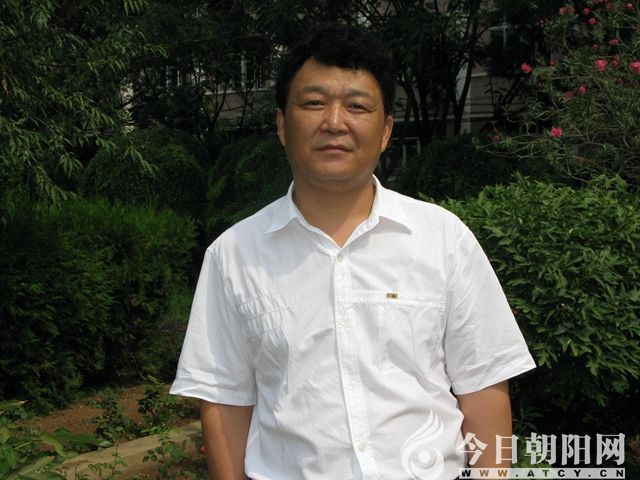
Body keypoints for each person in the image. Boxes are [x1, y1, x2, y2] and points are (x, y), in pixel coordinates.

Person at [170, 23, 535, 480]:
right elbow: (224, 402)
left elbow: (483, 387)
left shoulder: (444, 239)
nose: (334, 122)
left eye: (357, 106)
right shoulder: (233, 256)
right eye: (314, 103)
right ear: (282, 124)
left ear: (385, 131)